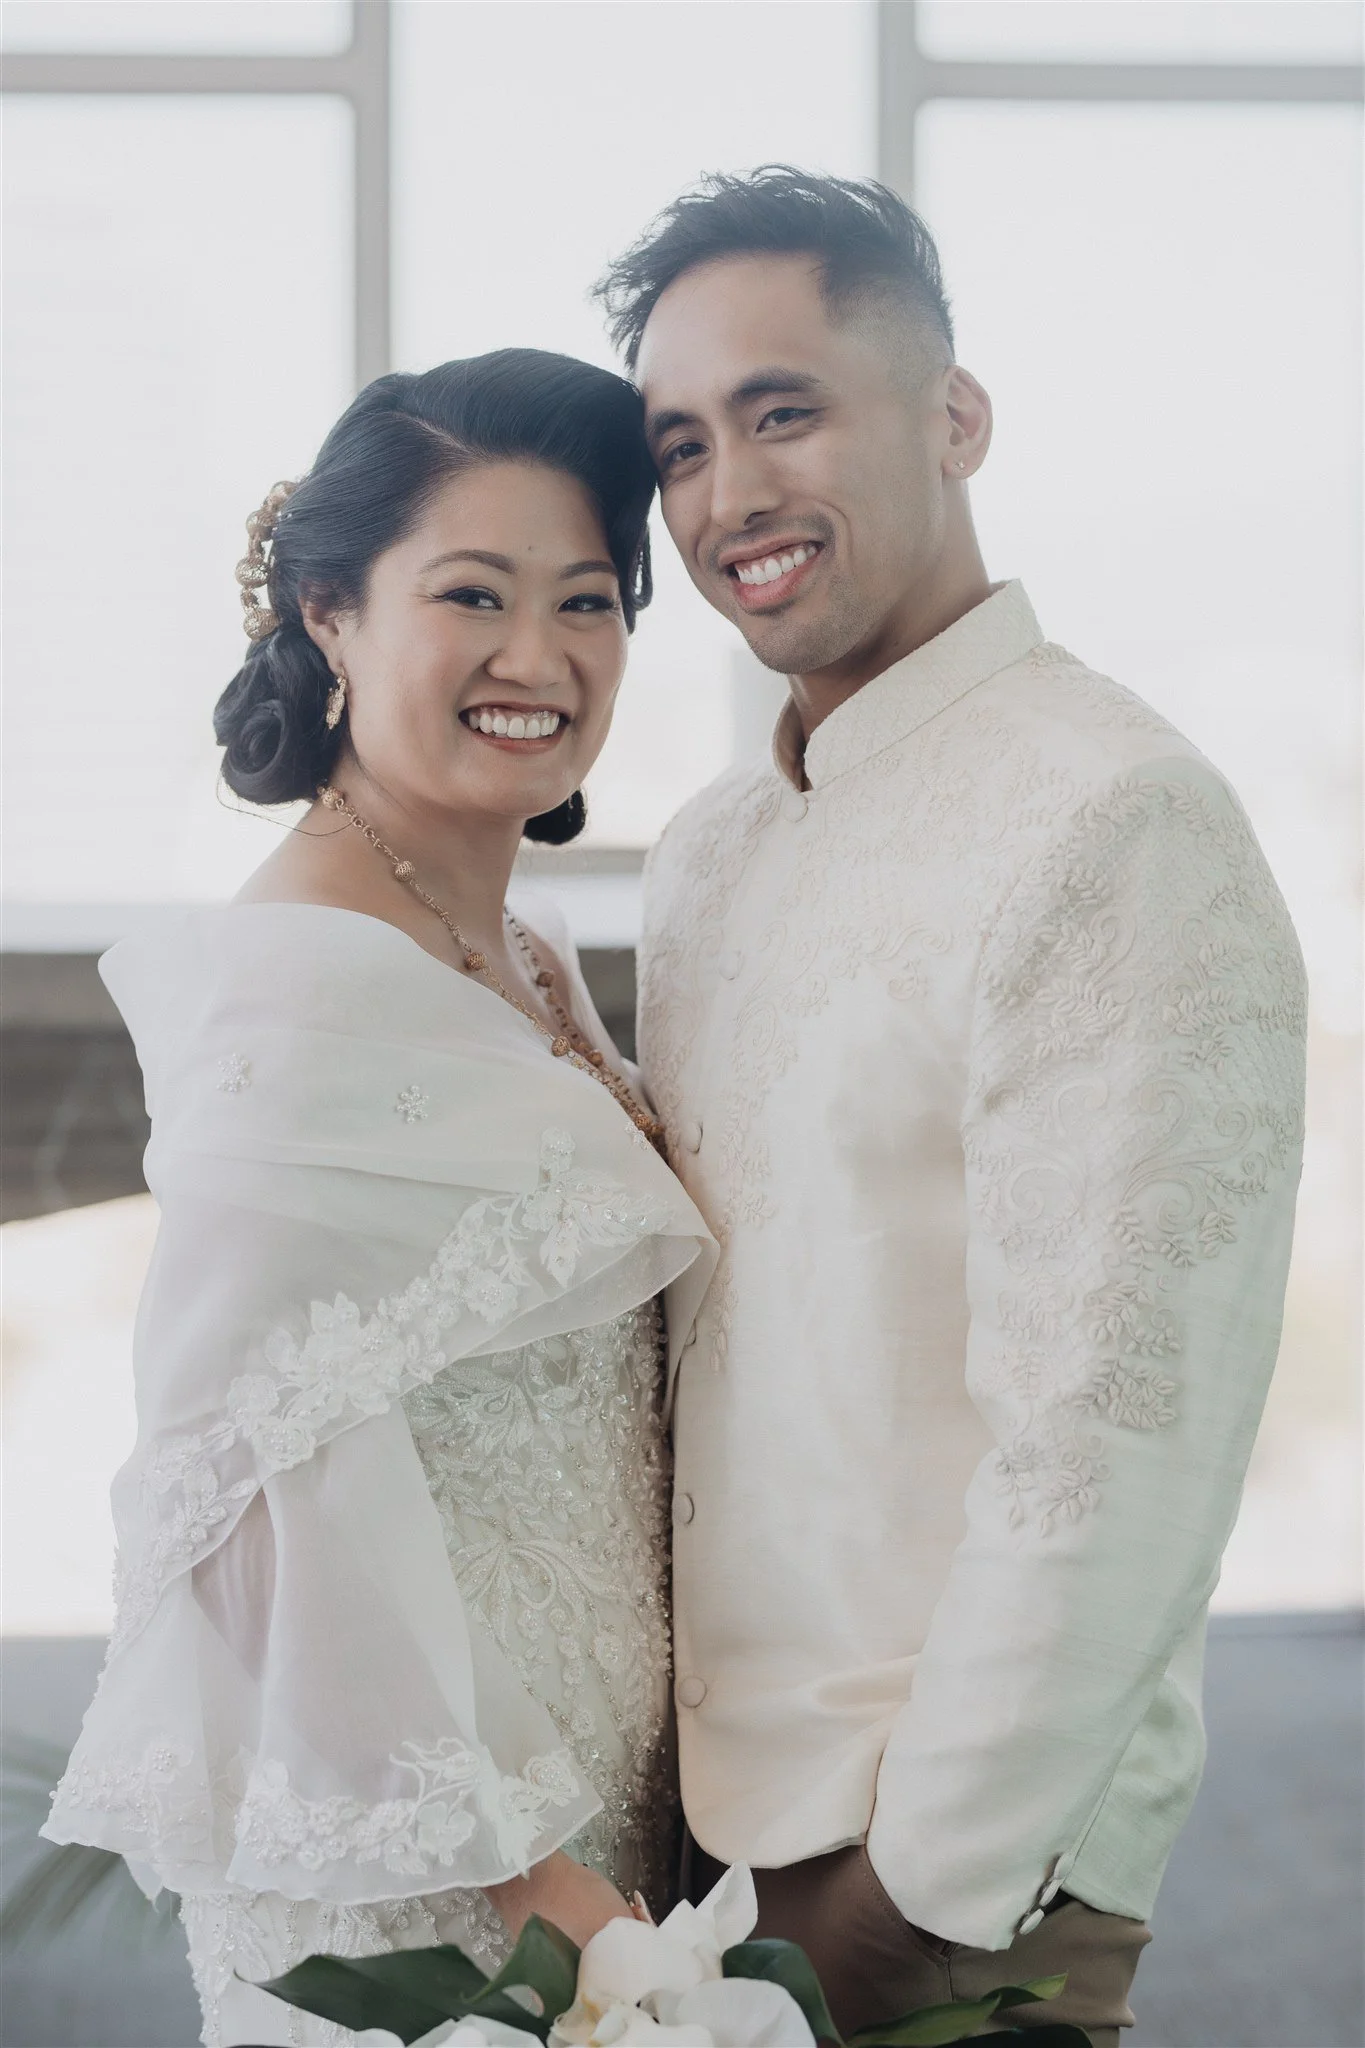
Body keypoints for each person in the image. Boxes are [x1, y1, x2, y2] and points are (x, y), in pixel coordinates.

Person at [596, 168, 1308, 2045]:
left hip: (946, 1880)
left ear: (957, 416)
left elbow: (1117, 1434)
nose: (726, 497)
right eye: (680, 447)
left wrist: (912, 1893)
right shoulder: (711, 853)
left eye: (783, 412)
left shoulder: (1115, 814)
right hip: (696, 1855)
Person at [43, 350, 715, 2048]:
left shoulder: (525, 953)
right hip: (435, 1863)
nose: (537, 657)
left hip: (596, 1810)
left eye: (588, 601)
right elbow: (256, 1479)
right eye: (471, 595)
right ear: (331, 616)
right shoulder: (294, 990)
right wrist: (523, 1878)